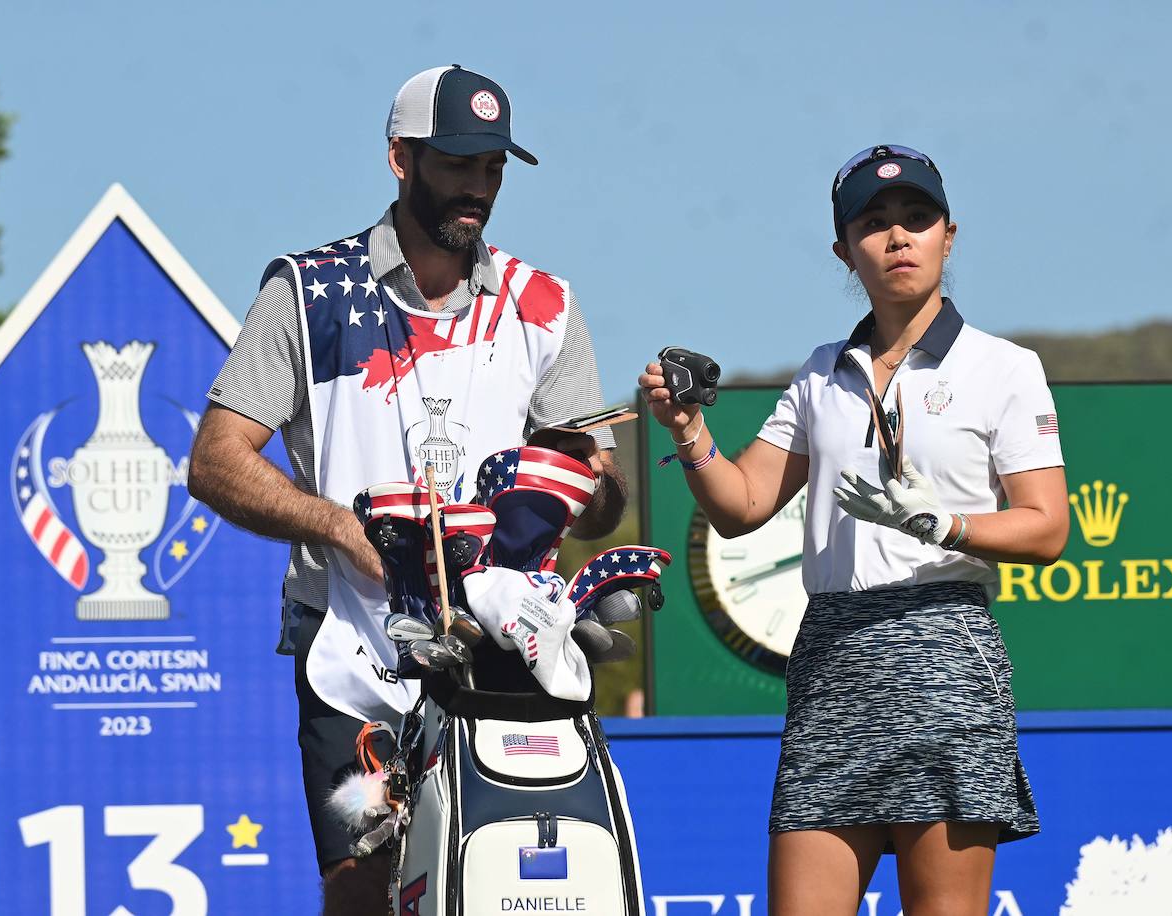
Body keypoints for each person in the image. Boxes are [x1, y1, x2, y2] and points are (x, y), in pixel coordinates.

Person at [188, 65, 626, 914]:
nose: (479, 187)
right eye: (458, 163)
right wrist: (339, 527)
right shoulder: (308, 290)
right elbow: (215, 459)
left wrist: (587, 480)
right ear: (401, 158)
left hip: (505, 651)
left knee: (507, 880)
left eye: (492, 167)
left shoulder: (544, 304)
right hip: (351, 649)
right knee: (366, 890)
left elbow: (597, 507)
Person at [639, 144, 1068, 916]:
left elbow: (1046, 528)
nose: (898, 236)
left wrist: (942, 523)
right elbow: (741, 506)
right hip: (831, 661)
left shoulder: (1004, 367)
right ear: (844, 250)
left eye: (917, 217)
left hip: (943, 653)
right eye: (874, 223)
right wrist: (688, 429)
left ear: (948, 236)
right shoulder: (820, 371)